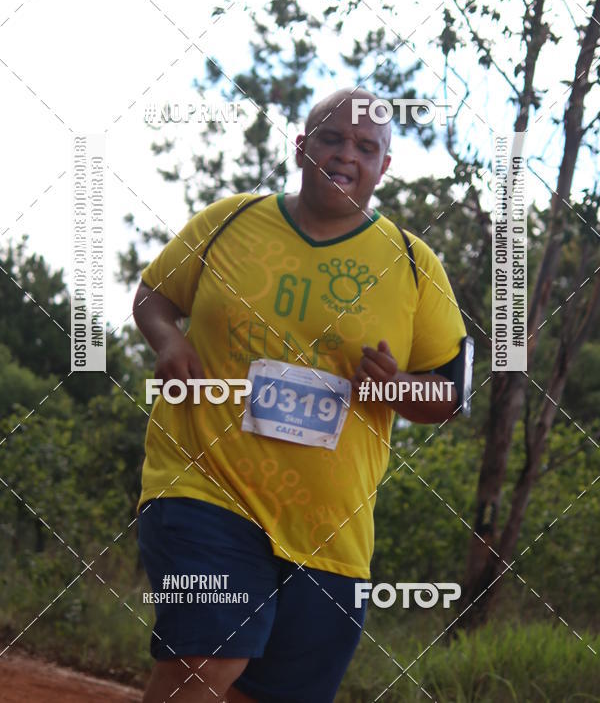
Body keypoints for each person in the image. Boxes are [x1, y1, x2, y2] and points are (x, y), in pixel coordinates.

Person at [133, 88, 467, 703]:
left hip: (329, 535)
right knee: (211, 652)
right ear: (301, 147)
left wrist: (396, 389)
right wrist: (165, 341)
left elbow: (448, 395)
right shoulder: (230, 220)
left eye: (366, 147)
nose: (346, 155)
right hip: (202, 484)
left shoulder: (415, 267)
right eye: (331, 138)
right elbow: (154, 294)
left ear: (384, 166)